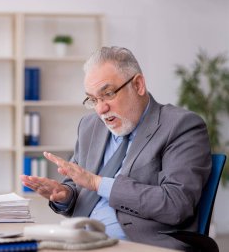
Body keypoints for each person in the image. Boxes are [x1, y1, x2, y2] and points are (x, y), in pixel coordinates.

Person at [20, 46, 212, 251]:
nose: (101, 109)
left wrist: (97, 183)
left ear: (138, 85)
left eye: (108, 94)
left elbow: (176, 205)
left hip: (140, 244)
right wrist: (64, 195)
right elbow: (77, 187)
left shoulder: (180, 125)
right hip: (81, 241)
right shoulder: (89, 126)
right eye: (93, 99)